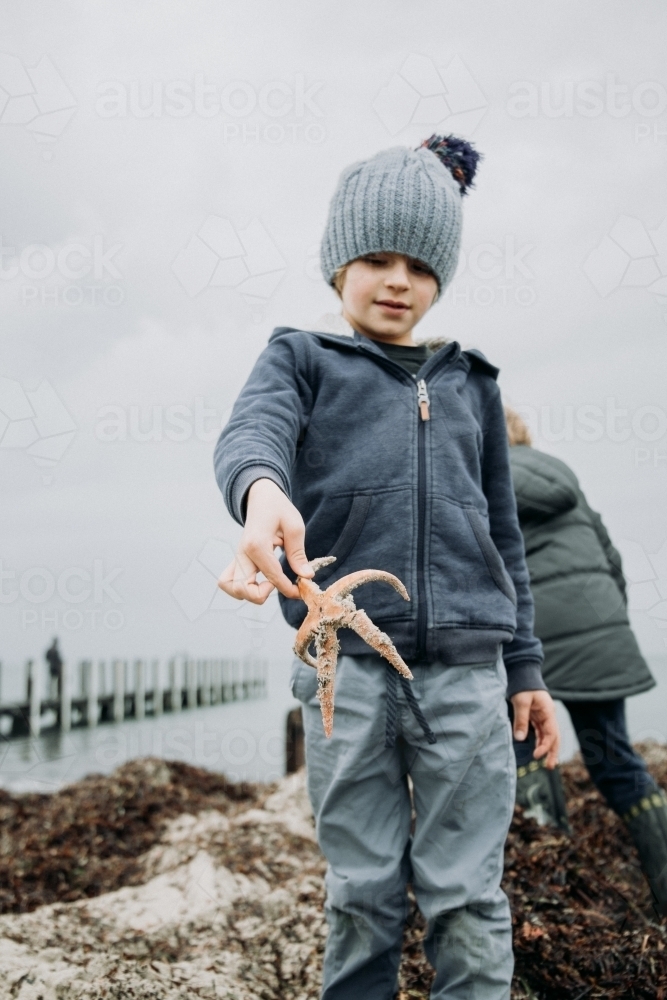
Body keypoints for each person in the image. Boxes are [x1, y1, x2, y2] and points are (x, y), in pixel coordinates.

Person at [215, 135, 559, 1000]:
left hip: (469, 676)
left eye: (419, 264)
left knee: (467, 894)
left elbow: (501, 537)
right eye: (375, 257)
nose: (396, 280)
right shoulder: (299, 359)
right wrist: (260, 493)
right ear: (337, 264)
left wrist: (525, 668)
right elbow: (249, 437)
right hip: (347, 672)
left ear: (442, 276)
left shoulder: (473, 382)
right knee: (361, 891)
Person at [505, 406, 667, 914]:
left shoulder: (482, 478)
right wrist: (607, 621)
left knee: (527, 753)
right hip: (601, 635)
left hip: (534, 642)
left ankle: (557, 896)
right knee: (617, 760)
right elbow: (612, 558)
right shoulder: (561, 473)